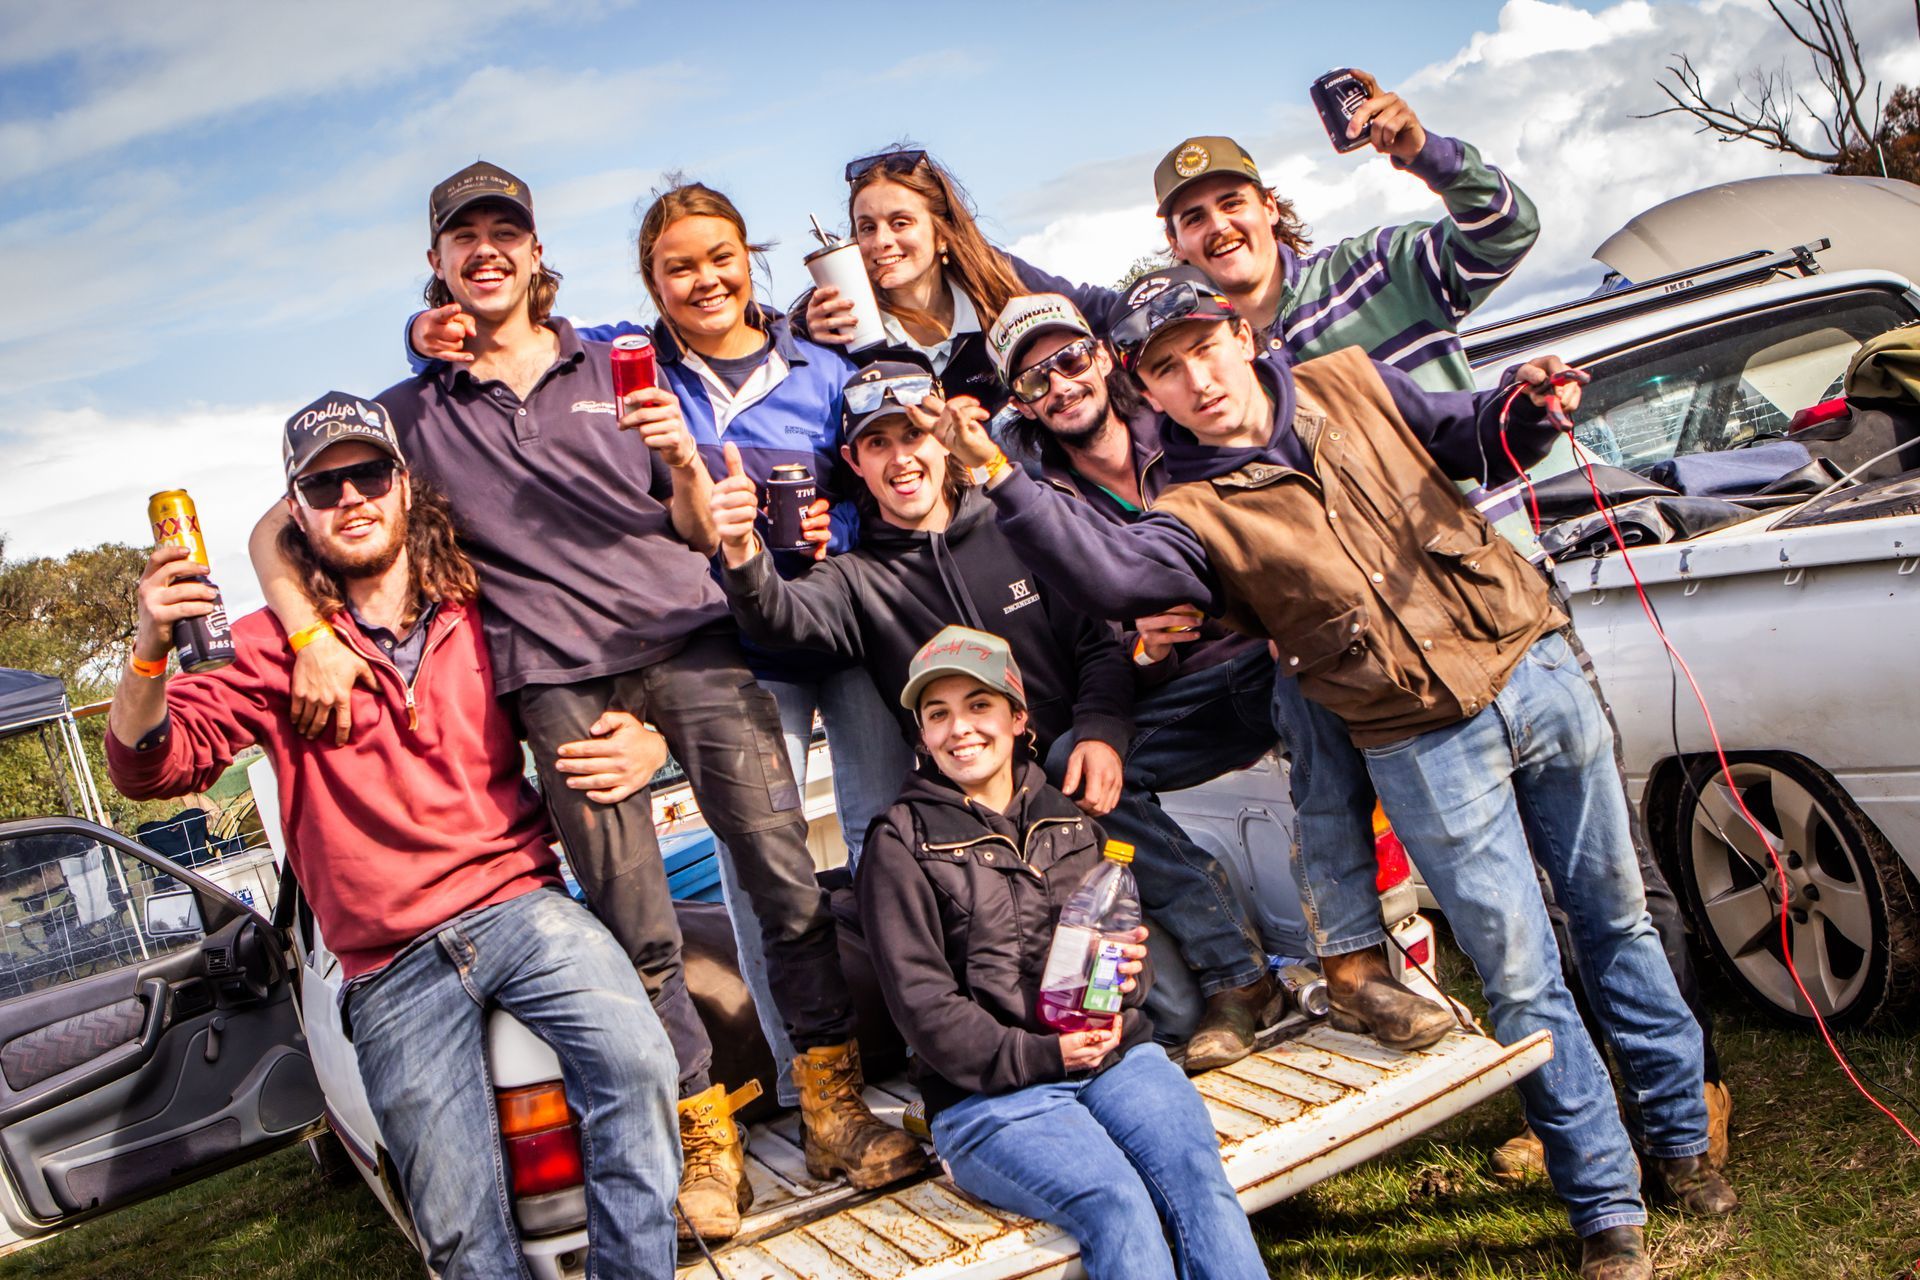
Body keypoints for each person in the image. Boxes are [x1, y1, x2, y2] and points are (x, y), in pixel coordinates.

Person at [935, 266, 1738, 1280]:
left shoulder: (1352, 378)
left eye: (1204, 345)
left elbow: (1470, 436)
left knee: (1614, 919)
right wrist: (1004, 481)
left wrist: (1527, 407)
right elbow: (1114, 578)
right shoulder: (1191, 507)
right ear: (1147, 384)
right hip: (1418, 732)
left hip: (1533, 667)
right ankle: (1605, 1204)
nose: (1197, 378)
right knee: (1522, 971)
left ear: (1238, 329)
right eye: (1167, 367)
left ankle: (1679, 1136)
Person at [249, 162, 923, 1246]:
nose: (485, 251)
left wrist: (682, 463)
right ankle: (707, 1139)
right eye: (461, 237)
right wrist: (310, 629)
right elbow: (277, 531)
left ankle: (834, 1101)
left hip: (694, 647)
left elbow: (703, 525)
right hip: (557, 679)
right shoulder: (409, 414)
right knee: (632, 922)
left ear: (533, 246)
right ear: (437, 264)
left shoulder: (624, 357)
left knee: (784, 876)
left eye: (503, 230)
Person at [109, 396, 681, 1277]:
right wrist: (148, 652)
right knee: (457, 1230)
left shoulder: (485, 603)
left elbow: (615, 648)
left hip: (520, 909)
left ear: (404, 485)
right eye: (323, 485)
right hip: (390, 966)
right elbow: (150, 769)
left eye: (368, 474)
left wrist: (649, 731)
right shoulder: (269, 649)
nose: (352, 499)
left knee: (638, 1062)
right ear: (295, 511)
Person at [715, 361, 1287, 1068]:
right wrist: (742, 550)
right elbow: (781, 622)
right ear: (852, 462)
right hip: (991, 833)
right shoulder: (858, 579)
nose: (902, 458)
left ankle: (1240, 977)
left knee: (1157, 996)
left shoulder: (1019, 522)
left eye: (916, 435)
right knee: (1157, 1012)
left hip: (1074, 784)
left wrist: (1104, 734)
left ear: (944, 439)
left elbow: (1097, 646)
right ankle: (1074, 1051)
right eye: (878, 443)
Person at [858, 626, 1267, 1280]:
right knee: (1118, 1204)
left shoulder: (1074, 822)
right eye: (938, 715)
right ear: (921, 734)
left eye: (978, 706)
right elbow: (922, 1007)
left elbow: (1117, 962)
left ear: (1018, 717)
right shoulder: (901, 843)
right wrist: (1042, 1053)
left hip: (1114, 1060)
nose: (959, 728)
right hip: (987, 1096)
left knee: (1198, 1181)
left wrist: (1130, 977)